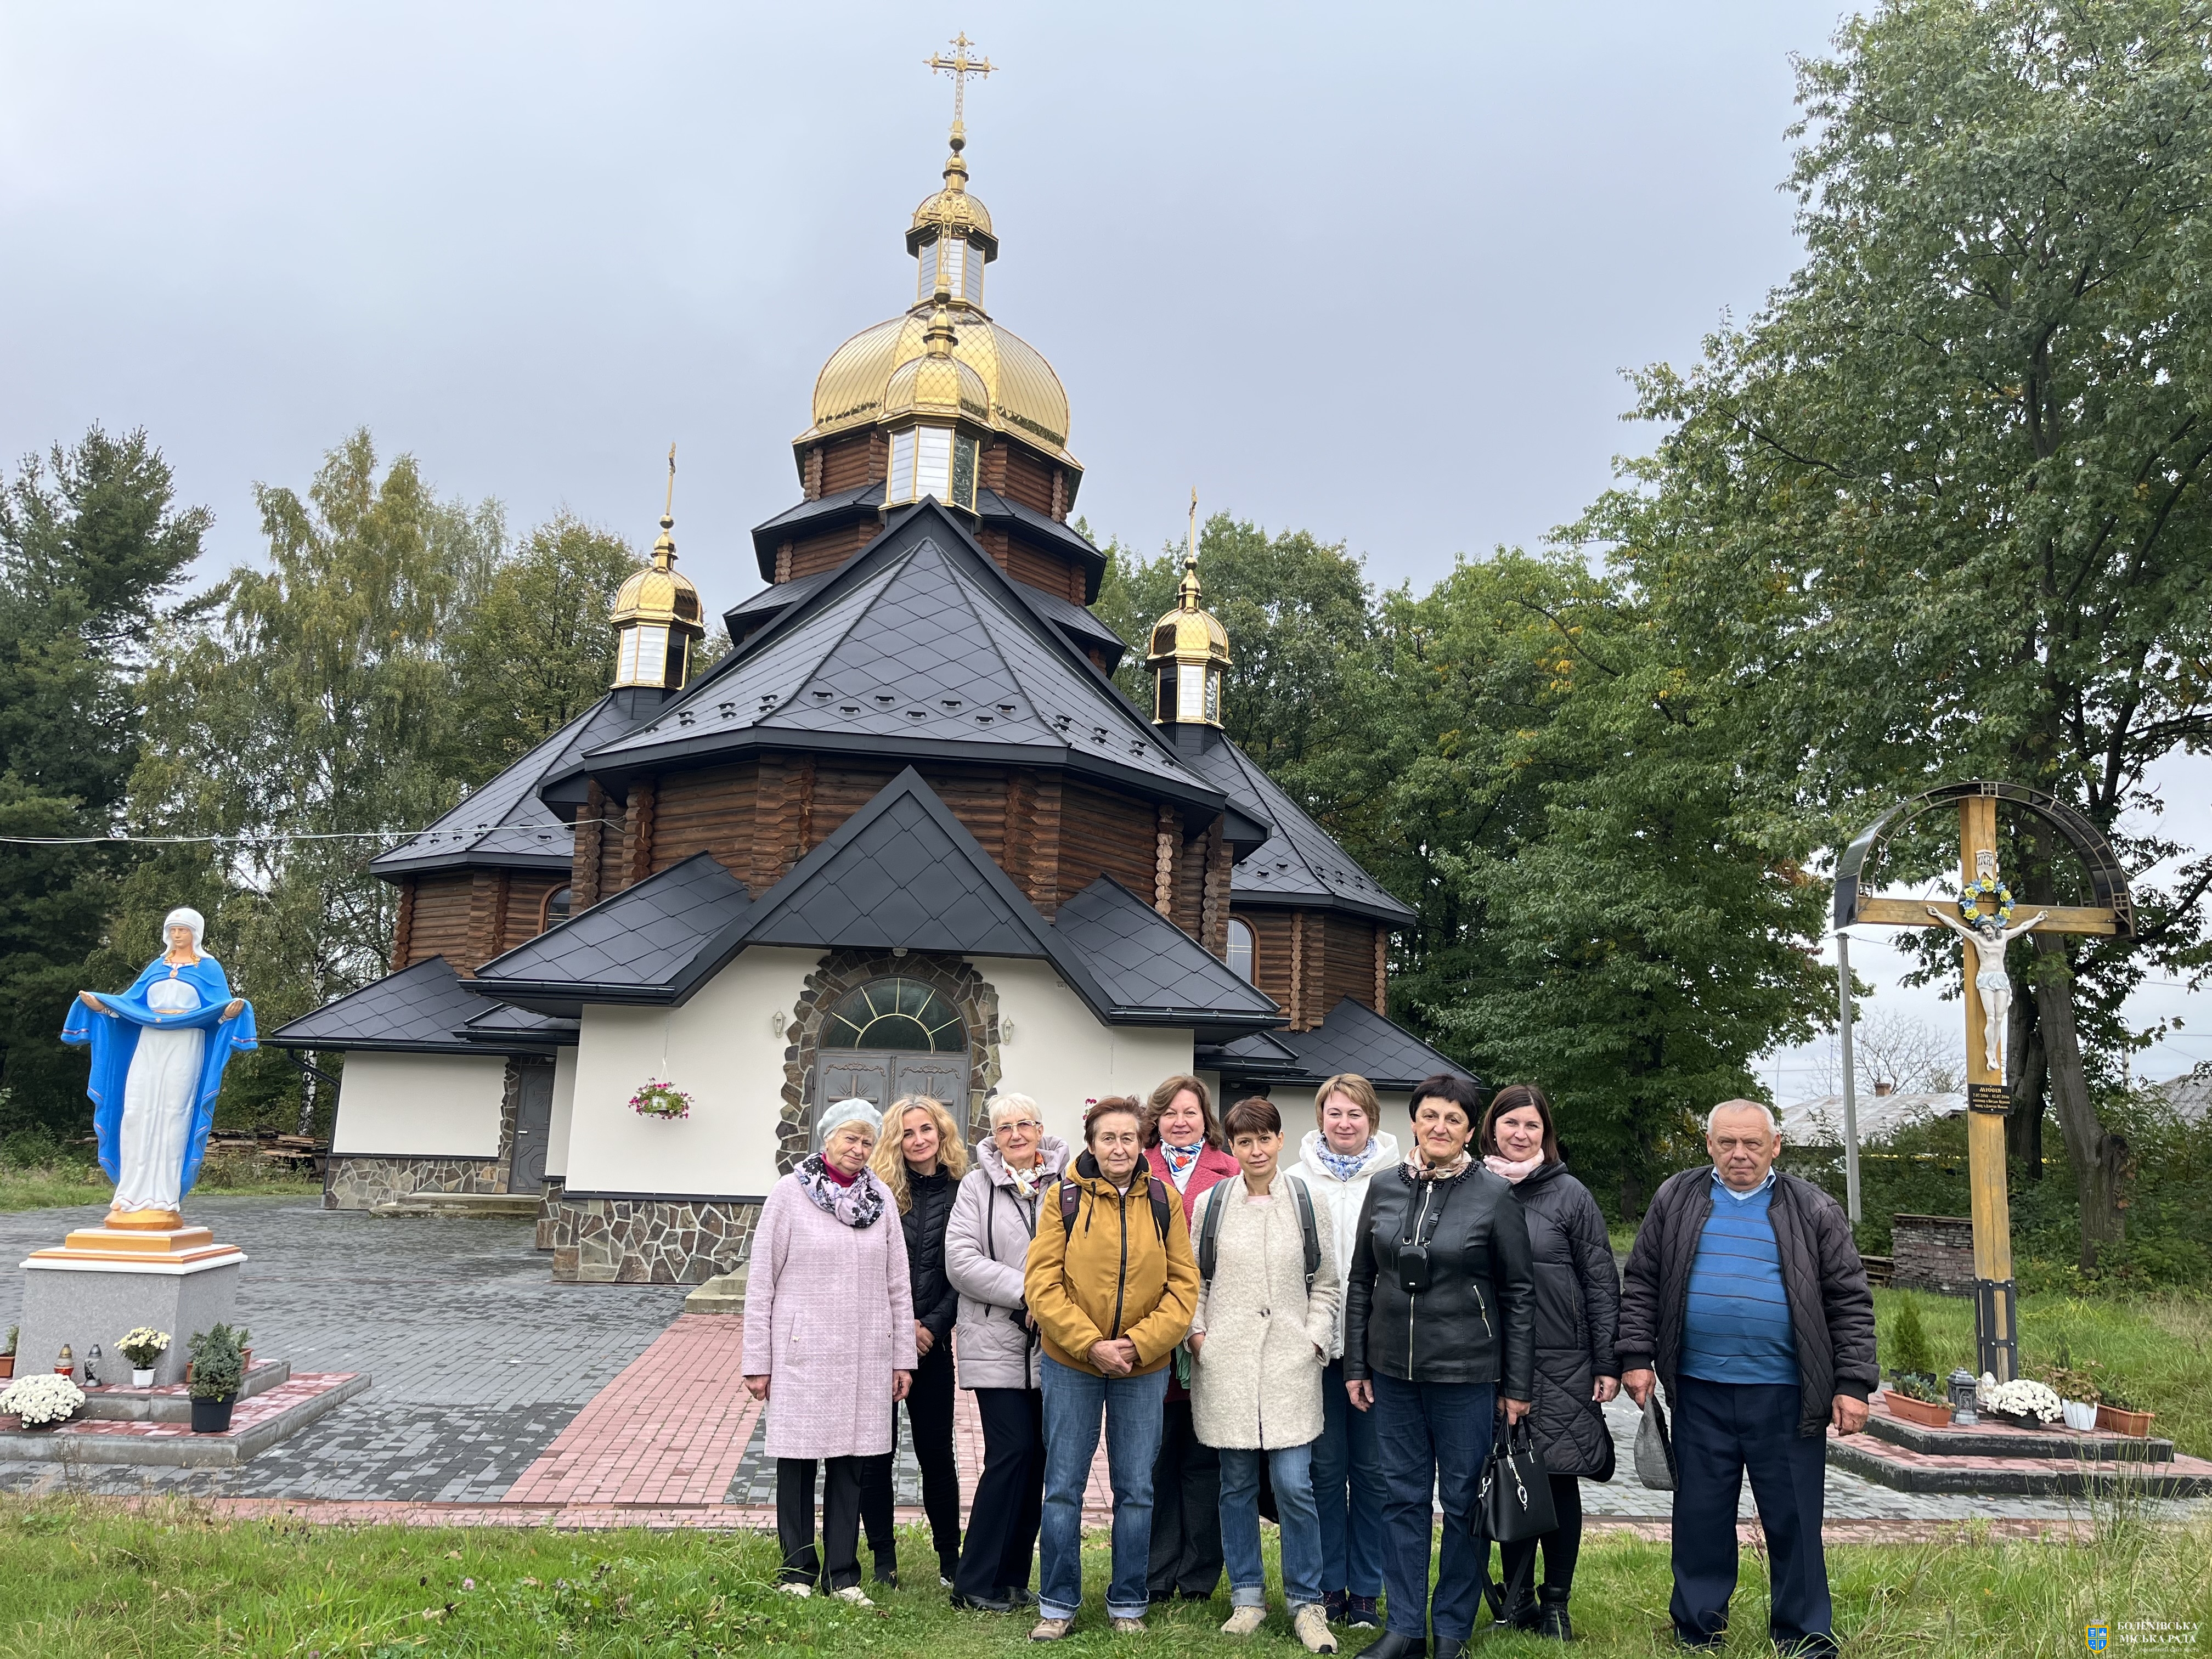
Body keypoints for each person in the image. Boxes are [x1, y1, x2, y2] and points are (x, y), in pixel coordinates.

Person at [1617, 1099, 1875, 1659]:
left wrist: (1853, 1384)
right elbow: (1641, 1282)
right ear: (1709, 1145)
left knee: (1794, 1521)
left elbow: (1849, 1301)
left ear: (1775, 1146)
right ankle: (1697, 1630)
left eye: (1752, 1144)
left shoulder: (1813, 1209)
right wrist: (1636, 1355)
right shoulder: (1676, 1198)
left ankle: (1803, 1634)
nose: (1740, 1154)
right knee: (1701, 1517)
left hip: (1786, 1395)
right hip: (1699, 1390)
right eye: (1727, 1143)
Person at [1343, 1075, 1535, 1659]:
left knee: (1461, 1503)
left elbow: (1520, 1292)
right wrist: (1358, 1364)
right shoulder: (1383, 1188)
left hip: (1467, 1375)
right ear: (1414, 1123)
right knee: (1400, 1499)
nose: (1440, 1128)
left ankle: (1451, 1628)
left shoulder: (1493, 1196)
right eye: (1430, 1116)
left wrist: (1517, 1385)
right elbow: (1360, 1281)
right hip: (1393, 1376)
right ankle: (1404, 1627)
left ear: (1470, 1130)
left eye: (1453, 1119)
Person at [1023, 1096, 1199, 1641]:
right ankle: (1058, 1603)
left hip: (1142, 1368)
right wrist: (1092, 1344)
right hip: (1072, 1364)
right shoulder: (1063, 1198)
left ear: (1141, 1142)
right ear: (1092, 1143)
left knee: (1136, 1489)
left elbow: (1183, 1286)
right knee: (1063, 1487)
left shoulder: (1164, 1201)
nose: (1118, 1147)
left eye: (1128, 1138)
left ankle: (1128, 1601)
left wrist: (1139, 1345)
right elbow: (1042, 1285)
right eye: (1108, 1138)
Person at [743, 1098, 917, 1604]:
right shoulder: (789, 1194)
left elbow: (898, 1286)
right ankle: (797, 1572)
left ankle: (843, 1573)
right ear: (828, 1139)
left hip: (865, 1354)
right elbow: (761, 1283)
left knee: (852, 1464)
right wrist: (758, 1360)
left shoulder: (880, 1198)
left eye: (867, 1141)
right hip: (802, 1352)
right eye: (850, 1138)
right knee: (796, 1461)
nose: (859, 1149)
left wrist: (902, 1356)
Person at [1188, 1097, 1340, 1654]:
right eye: (1243, 1141)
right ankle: (1248, 1597)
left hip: (1289, 1364)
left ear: (1280, 1140)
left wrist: (1314, 1339)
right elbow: (1193, 1280)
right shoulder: (1212, 1203)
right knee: (1235, 1486)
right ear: (1232, 1147)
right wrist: (1198, 1335)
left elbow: (1326, 1282)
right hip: (1225, 1364)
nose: (1255, 1150)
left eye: (1264, 1138)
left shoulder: (1308, 1201)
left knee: (1296, 1485)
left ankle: (1307, 1603)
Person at [1479, 1084, 1620, 1642]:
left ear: (1546, 1133)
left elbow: (1602, 1282)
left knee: (1558, 1482)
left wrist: (1608, 1360)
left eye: (1532, 1126)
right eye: (1511, 1123)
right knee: (1510, 1475)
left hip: (1562, 1363)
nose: (1520, 1134)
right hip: (1492, 1362)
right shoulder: (1473, 1189)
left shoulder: (1571, 1197)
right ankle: (1515, 1601)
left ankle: (1555, 1604)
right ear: (1491, 1128)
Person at [944, 1092, 1071, 1612]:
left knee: (1039, 1459)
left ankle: (1013, 1577)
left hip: (1056, 1346)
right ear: (992, 1137)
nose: (1016, 1135)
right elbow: (960, 1261)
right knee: (1011, 1451)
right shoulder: (976, 1187)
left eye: (1025, 1124)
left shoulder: (1070, 1184)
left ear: (1041, 1129)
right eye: (1004, 1128)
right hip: (995, 1341)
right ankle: (974, 1581)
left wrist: (1057, 1305)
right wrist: (1030, 1292)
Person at [64, 907, 255, 1224]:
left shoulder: (209, 969)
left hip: (185, 1042)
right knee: (136, 1109)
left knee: (172, 1113)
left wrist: (230, 1013)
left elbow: (218, 1011)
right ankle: (129, 1192)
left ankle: (165, 1194)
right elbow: (131, 1005)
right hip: (150, 1041)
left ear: (196, 932)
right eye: (173, 930)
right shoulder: (156, 966)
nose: (177, 935)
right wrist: (103, 1007)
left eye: (183, 930)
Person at [1297, 1072, 1400, 1630]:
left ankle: (1367, 1589)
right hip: (1315, 1353)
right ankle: (1327, 1585)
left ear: (1372, 1121)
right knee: (1324, 1472)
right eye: (1334, 1113)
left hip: (1380, 1353)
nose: (1344, 1123)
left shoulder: (1401, 1180)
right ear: (1320, 1118)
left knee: (1375, 1474)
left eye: (1355, 1114)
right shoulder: (1294, 1181)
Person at [1140, 1073, 1240, 1606]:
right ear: (1156, 1120)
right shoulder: (1137, 1169)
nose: (1181, 1121)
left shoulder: (1230, 1173)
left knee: (1204, 1466)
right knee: (1156, 1462)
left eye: (1191, 1113)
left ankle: (1199, 1578)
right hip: (1152, 1339)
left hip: (1210, 1340)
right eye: (1171, 1113)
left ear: (1207, 1119)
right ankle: (1155, 1576)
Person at [864, 1094, 970, 1588]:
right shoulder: (879, 1192)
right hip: (880, 1344)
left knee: (935, 1452)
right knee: (875, 1454)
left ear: (941, 1133)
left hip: (934, 1341)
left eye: (926, 1129)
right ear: (895, 1140)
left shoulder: (963, 1190)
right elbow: (868, 1266)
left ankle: (951, 1559)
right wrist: (897, 1325)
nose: (918, 1139)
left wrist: (930, 1326)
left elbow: (962, 1270)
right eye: (907, 1133)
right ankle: (883, 1560)